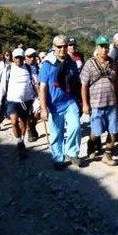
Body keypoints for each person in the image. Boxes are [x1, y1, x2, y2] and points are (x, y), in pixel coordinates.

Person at [39, 35, 83, 171]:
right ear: (53, 47)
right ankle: (58, 158)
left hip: (69, 101)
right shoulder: (47, 64)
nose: (62, 49)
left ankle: (71, 152)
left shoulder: (71, 62)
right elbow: (42, 87)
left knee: (75, 127)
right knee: (56, 133)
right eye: (59, 47)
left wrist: (81, 100)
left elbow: (77, 81)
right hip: (54, 105)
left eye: (64, 46)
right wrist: (43, 108)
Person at [80, 36, 118, 167]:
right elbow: (84, 85)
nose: (104, 49)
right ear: (97, 48)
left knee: (113, 131)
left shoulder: (113, 63)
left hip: (112, 103)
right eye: (101, 46)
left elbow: (116, 81)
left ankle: (107, 154)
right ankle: (91, 144)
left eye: (106, 46)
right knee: (96, 132)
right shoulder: (90, 64)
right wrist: (85, 104)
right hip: (96, 105)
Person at [0, 48, 38, 159]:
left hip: (26, 101)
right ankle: (19, 141)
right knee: (14, 121)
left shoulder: (29, 69)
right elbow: (3, 86)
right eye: (16, 57)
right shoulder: (8, 69)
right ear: (13, 58)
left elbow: (35, 84)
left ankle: (21, 141)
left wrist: (39, 96)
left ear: (24, 58)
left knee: (24, 123)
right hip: (12, 100)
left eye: (20, 57)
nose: (19, 60)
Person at [24, 47, 41, 142]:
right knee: (28, 115)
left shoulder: (39, 67)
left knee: (37, 114)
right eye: (30, 56)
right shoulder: (23, 68)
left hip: (36, 95)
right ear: (25, 57)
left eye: (34, 56)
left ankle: (32, 127)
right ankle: (30, 130)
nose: (32, 58)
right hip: (26, 95)